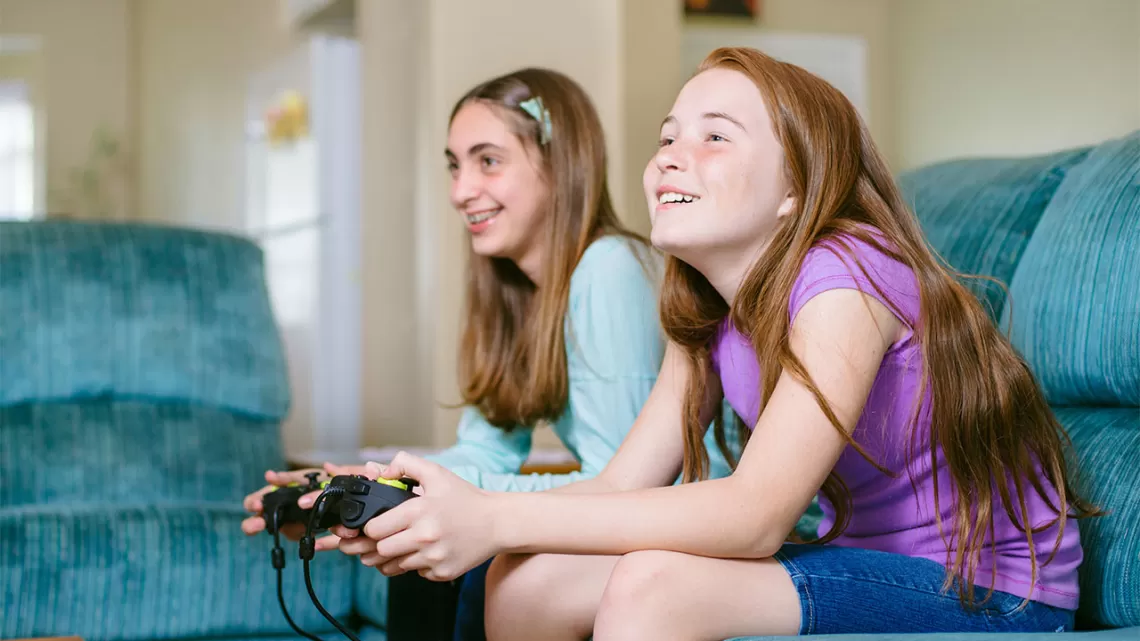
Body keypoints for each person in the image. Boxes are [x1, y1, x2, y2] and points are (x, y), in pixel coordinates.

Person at [326, 46, 1101, 640]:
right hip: (865, 562)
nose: (669, 154)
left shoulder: (847, 276)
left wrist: (494, 517)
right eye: (668, 136)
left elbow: (754, 516)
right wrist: (457, 512)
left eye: (714, 138)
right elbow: (622, 481)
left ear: (794, 187)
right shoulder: (703, 306)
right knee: (526, 581)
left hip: (987, 592)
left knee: (654, 584)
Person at [239, 67, 740, 639]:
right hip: (632, 512)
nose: (460, 191)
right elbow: (484, 451)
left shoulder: (608, 269)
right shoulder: (515, 292)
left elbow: (622, 486)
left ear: (558, 163)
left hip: (686, 525)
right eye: (455, 165)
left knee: (467, 563)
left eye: (488, 161)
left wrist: (451, 505)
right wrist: (369, 483)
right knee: (417, 543)